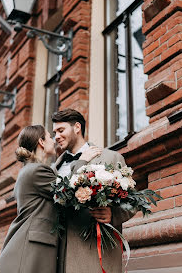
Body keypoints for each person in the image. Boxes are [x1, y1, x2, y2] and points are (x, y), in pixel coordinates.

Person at [0, 125, 101, 273]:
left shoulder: (31, 169)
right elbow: (67, 193)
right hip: (30, 249)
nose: (54, 140)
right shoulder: (37, 170)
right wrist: (82, 161)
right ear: (41, 142)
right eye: (50, 137)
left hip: (32, 246)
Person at [52, 109, 134, 273]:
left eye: (61, 130)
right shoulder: (54, 168)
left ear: (77, 127)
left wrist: (113, 214)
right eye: (54, 133)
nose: (56, 137)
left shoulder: (110, 158)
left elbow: (132, 201)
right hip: (59, 254)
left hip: (96, 253)